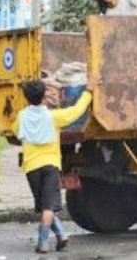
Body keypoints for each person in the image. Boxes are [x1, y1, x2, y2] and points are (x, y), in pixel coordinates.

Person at [12, 79, 94, 253]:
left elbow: (16, 131)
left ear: (26, 98)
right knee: (48, 206)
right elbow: (75, 112)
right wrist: (88, 93)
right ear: (44, 96)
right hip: (50, 165)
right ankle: (43, 242)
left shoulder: (21, 117)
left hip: (31, 166)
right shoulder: (53, 117)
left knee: (44, 205)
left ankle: (61, 235)